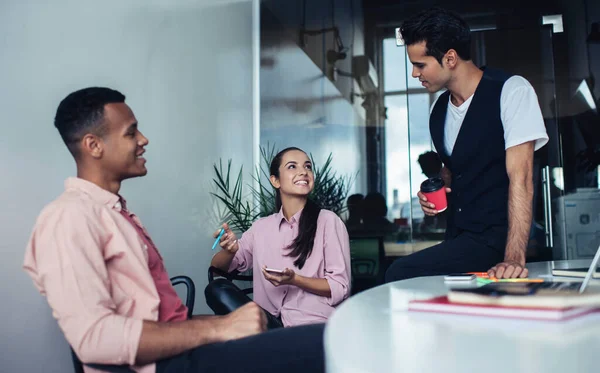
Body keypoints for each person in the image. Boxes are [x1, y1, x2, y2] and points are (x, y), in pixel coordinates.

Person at [23, 88, 325, 373]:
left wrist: (227, 324)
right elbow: (93, 339)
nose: (143, 139)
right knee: (326, 344)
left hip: (182, 352)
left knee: (329, 337)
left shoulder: (116, 214)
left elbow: (161, 318)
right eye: (131, 133)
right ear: (93, 145)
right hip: (167, 365)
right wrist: (220, 327)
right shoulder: (68, 218)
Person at [385, 7, 549, 282]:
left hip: (496, 242)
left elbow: (521, 178)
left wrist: (513, 257)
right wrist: (435, 195)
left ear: (450, 58)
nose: (414, 73)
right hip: (459, 238)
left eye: (420, 65)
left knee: (399, 273)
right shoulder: (439, 110)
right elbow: (455, 171)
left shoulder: (511, 91)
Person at [208, 147, 351, 328]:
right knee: (216, 289)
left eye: (308, 167)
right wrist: (230, 251)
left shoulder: (328, 221)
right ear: (275, 181)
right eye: (292, 166)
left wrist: (295, 280)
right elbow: (217, 267)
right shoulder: (261, 227)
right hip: (269, 323)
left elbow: (340, 286)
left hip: (313, 324)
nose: (303, 172)